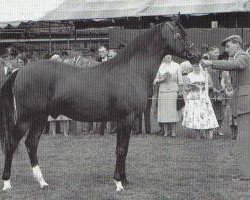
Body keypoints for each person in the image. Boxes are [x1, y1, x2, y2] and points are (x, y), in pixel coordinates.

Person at [201, 35, 250, 180]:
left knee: (244, 139)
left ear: (237, 44)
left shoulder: (242, 56)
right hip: (243, 101)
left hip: (245, 102)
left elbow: (237, 65)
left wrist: (211, 62)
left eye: (228, 46)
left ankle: (246, 174)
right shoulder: (241, 56)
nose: (226, 49)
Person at [182, 64, 218, 139]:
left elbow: (211, 85)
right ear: (192, 67)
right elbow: (186, 88)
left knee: (205, 114)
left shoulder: (205, 74)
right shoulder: (189, 75)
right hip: (193, 97)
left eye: (198, 66)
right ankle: (197, 135)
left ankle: (207, 131)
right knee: (195, 115)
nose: (196, 68)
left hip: (203, 97)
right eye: (195, 66)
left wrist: (202, 87)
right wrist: (192, 87)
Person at [153, 54, 183, 137]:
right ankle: (166, 131)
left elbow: (180, 81)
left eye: (169, 55)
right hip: (163, 91)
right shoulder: (161, 66)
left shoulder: (176, 65)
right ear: (164, 57)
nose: (168, 57)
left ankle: (173, 132)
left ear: (172, 56)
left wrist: (180, 91)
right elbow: (155, 80)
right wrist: (161, 80)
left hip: (173, 90)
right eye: (166, 55)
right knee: (164, 111)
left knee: (173, 111)